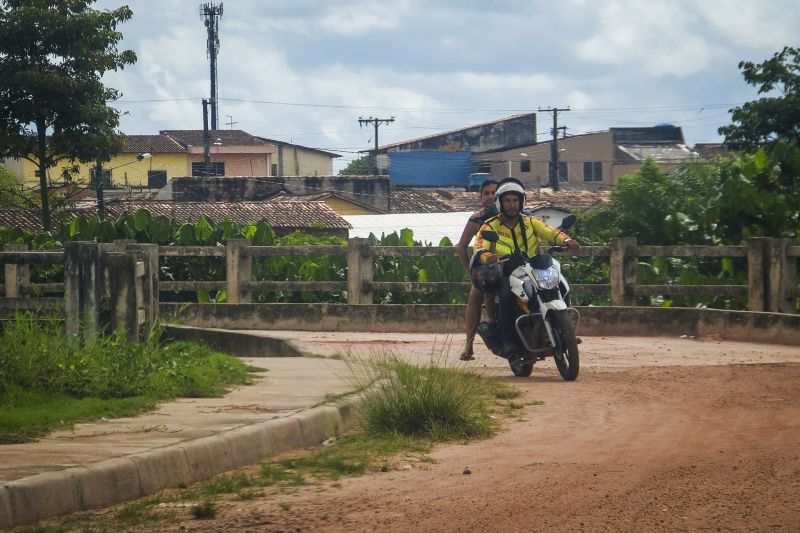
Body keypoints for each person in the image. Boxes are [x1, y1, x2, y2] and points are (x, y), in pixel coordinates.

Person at [474, 178, 580, 358]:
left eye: (515, 200)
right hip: (507, 271)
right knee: (507, 294)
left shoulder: (530, 222)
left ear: (521, 201)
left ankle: (564, 329)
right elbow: (479, 247)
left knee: (560, 283)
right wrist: (488, 256)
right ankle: (509, 341)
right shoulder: (490, 225)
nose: (512, 205)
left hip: (534, 269)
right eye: (507, 200)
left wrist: (566, 240)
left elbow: (550, 231)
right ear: (500, 202)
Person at [455, 178, 498, 361]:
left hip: (512, 264)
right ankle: (469, 345)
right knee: (476, 295)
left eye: (494, 193)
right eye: (486, 193)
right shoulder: (477, 219)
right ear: (480, 197)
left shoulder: (516, 215)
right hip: (485, 267)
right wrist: (472, 272)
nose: (491, 196)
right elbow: (461, 247)